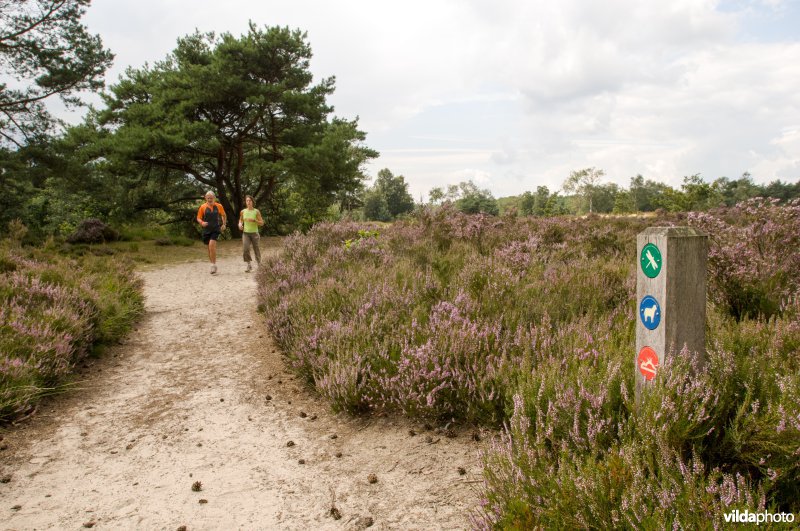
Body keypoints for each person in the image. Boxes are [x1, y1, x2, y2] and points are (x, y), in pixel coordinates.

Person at [196, 191, 227, 274]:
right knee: (209, 249)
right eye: (208, 198)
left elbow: (223, 215)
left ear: (214, 198)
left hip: (216, 229)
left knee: (211, 245)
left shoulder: (219, 206)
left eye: (211, 198)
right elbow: (198, 218)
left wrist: (224, 224)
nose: (209, 199)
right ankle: (213, 264)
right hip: (206, 230)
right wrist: (202, 222)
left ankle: (213, 266)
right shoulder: (202, 207)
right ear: (205, 198)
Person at [238, 194, 264, 272]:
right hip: (246, 233)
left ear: (252, 202)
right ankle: (249, 265)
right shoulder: (243, 211)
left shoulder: (256, 211)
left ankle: (259, 265)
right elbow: (241, 220)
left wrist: (255, 221)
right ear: (245, 202)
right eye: (247, 201)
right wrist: (239, 224)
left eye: (250, 200)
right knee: (246, 249)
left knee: (256, 249)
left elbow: (262, 223)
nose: (248, 202)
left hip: (255, 233)